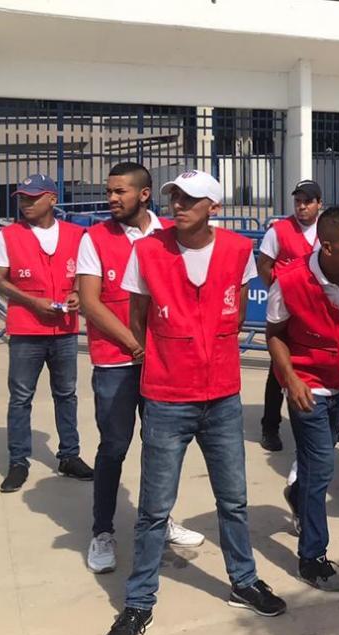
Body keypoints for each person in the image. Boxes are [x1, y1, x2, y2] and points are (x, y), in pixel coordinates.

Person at [103, 170, 285, 635]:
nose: (179, 205)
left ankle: (243, 581)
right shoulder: (148, 251)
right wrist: (163, 358)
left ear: (213, 208)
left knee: (234, 500)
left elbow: (237, 312)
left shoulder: (237, 251)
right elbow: (137, 317)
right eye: (175, 197)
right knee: (154, 509)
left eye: (190, 199)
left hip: (221, 396)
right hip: (167, 398)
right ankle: (139, 602)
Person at [78, 162, 203, 573]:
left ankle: (160, 520)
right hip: (115, 363)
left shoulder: (171, 235)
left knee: (161, 449)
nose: (112, 198)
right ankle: (102, 532)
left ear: (144, 194)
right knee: (114, 448)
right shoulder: (94, 238)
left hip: (163, 365)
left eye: (120, 191)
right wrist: (135, 344)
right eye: (109, 191)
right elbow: (90, 303)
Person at [266, 207, 339, 592]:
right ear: (327, 247)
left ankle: (296, 494)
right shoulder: (290, 281)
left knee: (319, 460)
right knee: (321, 469)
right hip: (307, 385)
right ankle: (312, 558)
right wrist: (291, 379)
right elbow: (274, 334)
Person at [0, 173, 93, 493]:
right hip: (26, 329)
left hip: (64, 329)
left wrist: (77, 292)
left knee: (66, 394)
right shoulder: (10, 236)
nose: (26, 203)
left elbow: (86, 272)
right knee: (21, 397)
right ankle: (18, 461)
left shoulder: (77, 234)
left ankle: (69, 456)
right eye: (22, 197)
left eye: (33, 197)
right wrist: (32, 301)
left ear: (52, 199)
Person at [257, 180, 324, 451]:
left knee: (318, 367)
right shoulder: (279, 231)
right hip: (287, 311)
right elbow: (264, 265)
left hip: (318, 312)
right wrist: (279, 292)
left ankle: (322, 421)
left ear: (319, 204)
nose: (302, 206)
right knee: (279, 369)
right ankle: (270, 427)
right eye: (298, 201)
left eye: (308, 201)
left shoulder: (327, 229)